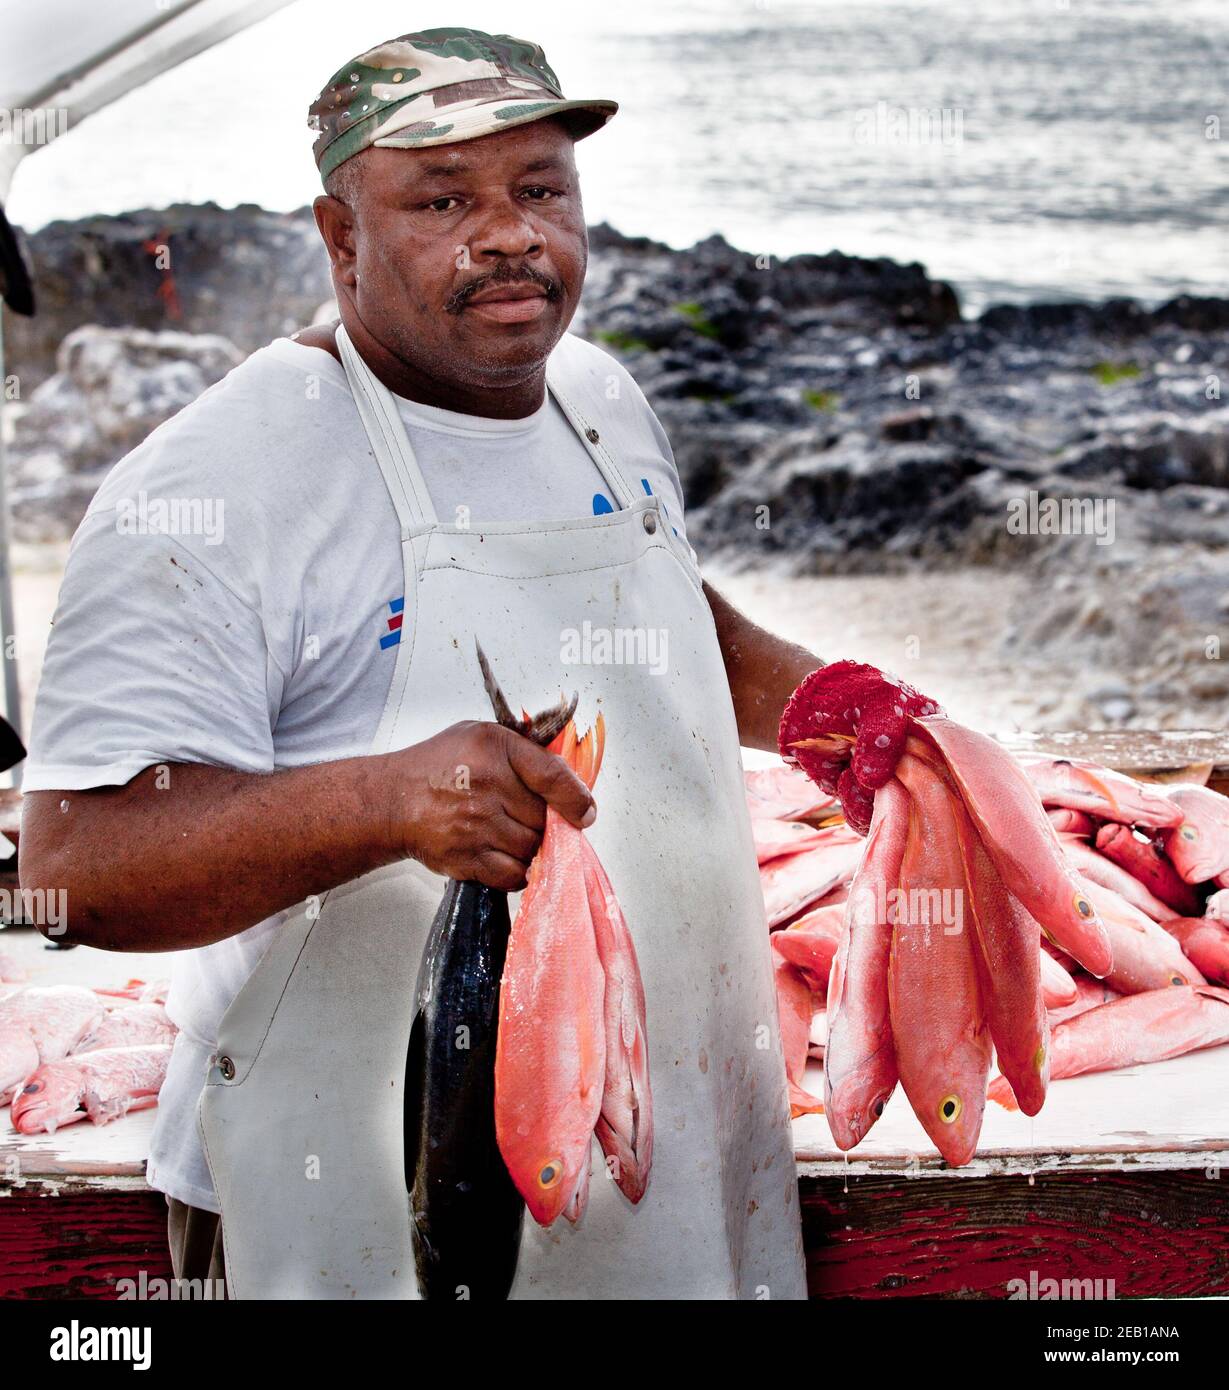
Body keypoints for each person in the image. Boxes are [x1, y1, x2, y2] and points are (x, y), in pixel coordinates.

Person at [19, 26, 929, 1300]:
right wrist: (388, 800)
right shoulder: (217, 485)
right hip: (358, 1191)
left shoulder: (595, 398)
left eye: (539, 190)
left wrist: (826, 705)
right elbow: (73, 869)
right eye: (442, 199)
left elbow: (663, 613)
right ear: (339, 237)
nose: (508, 236)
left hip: (654, 1146)